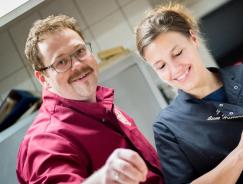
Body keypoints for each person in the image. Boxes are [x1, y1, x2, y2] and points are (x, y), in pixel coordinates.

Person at [135, 3, 243, 184]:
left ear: (193, 39)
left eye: (178, 53)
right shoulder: (167, 126)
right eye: (161, 66)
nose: (174, 69)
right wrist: (240, 154)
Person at [16, 14, 164, 184]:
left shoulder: (102, 105)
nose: (78, 65)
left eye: (80, 51)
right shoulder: (45, 140)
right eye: (61, 62)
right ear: (43, 79)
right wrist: (102, 179)